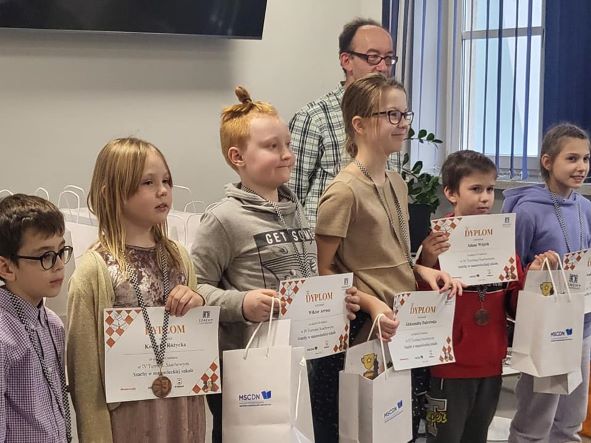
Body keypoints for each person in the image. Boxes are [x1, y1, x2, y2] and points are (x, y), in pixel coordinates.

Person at [190, 86, 360, 443]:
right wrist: (242, 303)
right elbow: (195, 290)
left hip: (299, 363)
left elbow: (304, 279)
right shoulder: (223, 219)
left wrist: (334, 303)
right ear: (238, 156)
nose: (287, 155)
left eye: (288, 145)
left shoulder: (295, 208)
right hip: (249, 372)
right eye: (272, 146)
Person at [315, 73, 462, 441]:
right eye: (391, 115)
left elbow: (391, 253)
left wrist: (422, 271)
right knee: (360, 428)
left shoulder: (396, 181)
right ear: (359, 124)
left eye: (405, 114)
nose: (403, 124)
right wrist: (371, 304)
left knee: (400, 426)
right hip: (364, 328)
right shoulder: (344, 191)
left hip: (401, 322)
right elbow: (323, 270)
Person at [67, 137, 206, 443]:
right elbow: (85, 377)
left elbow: (197, 342)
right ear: (111, 193)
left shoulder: (180, 258)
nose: (162, 190)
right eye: (148, 182)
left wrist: (198, 301)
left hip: (181, 409)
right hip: (129, 420)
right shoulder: (94, 270)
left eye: (166, 181)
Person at [419, 150, 554, 443]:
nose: (485, 198)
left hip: (491, 362)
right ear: (451, 193)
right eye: (476, 189)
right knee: (444, 438)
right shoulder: (436, 244)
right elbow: (420, 307)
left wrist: (533, 278)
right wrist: (426, 261)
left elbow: (515, 306)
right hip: (448, 365)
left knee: (477, 435)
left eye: (490, 189)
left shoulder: (502, 242)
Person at [502, 123, 591, 443]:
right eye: (572, 158)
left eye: (586, 158)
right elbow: (512, 270)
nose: (581, 167)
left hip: (582, 324)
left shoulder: (585, 207)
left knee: (572, 414)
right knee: (537, 415)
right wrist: (538, 269)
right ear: (547, 162)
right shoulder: (528, 211)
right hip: (545, 326)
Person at [289, 17, 399, 228]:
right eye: (373, 57)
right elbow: (290, 199)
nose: (383, 67)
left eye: (388, 58)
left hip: (378, 241)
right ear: (346, 61)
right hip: (327, 240)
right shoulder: (315, 118)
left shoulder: (394, 118)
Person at [0, 194, 72, 442]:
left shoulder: (53, 324)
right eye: (45, 256)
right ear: (6, 268)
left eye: (61, 251)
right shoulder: (3, 336)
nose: (59, 265)